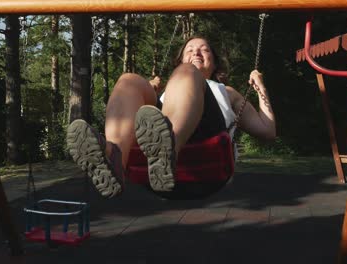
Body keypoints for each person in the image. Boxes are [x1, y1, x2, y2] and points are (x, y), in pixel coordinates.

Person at [67, 36, 276, 198]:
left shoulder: (227, 92)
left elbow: (267, 131)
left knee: (188, 73)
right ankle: (115, 158)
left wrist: (261, 88)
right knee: (128, 80)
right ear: (180, 58)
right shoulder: (166, 93)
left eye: (204, 49)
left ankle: (167, 153)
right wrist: (148, 92)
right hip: (153, 167)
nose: (197, 52)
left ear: (215, 62)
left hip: (207, 160)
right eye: (190, 50)